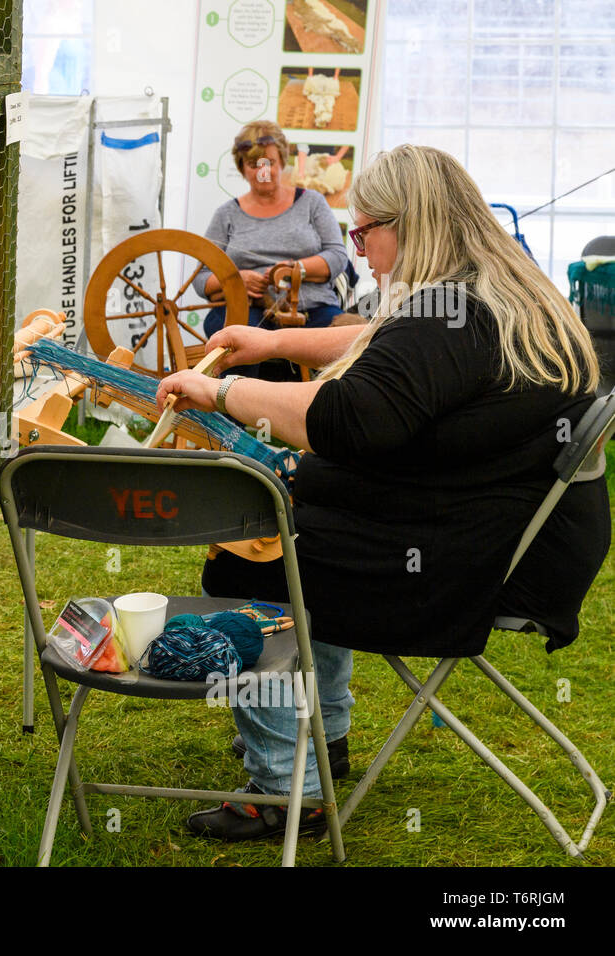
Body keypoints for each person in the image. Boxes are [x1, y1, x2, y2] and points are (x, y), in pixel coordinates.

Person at [154, 144, 609, 841]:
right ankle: (321, 740)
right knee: (296, 511)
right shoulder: (500, 293)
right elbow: (391, 347)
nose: (357, 249)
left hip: (469, 562)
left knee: (253, 548)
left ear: (412, 222)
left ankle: (287, 788)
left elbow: (346, 418)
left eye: (365, 232)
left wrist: (221, 391)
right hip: (517, 539)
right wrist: (276, 345)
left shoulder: (450, 313)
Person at [195, 122, 351, 349]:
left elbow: (337, 257)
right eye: (253, 164)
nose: (263, 172)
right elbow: (201, 278)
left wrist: (294, 269)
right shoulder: (226, 215)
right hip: (247, 308)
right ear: (242, 167)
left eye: (269, 162)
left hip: (312, 308)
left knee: (341, 344)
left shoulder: (312, 203)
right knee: (239, 340)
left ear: (282, 161)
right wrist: (235, 279)